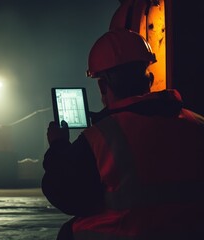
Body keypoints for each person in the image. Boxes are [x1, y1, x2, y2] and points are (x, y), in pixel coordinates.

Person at [42, 28, 204, 240]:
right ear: (151, 78)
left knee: (69, 232)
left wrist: (58, 146)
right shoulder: (196, 122)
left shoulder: (101, 137)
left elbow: (67, 196)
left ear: (102, 86)